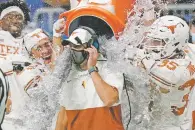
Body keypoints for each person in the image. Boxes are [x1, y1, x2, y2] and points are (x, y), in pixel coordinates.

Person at [55, 26, 124, 130]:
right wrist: (56, 34)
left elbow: (109, 99)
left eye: (77, 46)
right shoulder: (69, 74)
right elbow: (63, 119)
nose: (73, 50)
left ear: (92, 46)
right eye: (71, 46)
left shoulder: (110, 67)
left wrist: (92, 69)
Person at [133, 15, 195, 129]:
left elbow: (171, 78)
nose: (150, 45)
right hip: (155, 121)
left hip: (175, 125)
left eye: (156, 42)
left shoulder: (183, 67)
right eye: (150, 40)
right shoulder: (186, 48)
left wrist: (139, 57)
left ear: (175, 43)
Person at [0, 0, 31, 129]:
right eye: (11, 17)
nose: (16, 20)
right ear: (0, 21)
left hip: (25, 115)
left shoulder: (30, 42)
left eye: (19, 17)